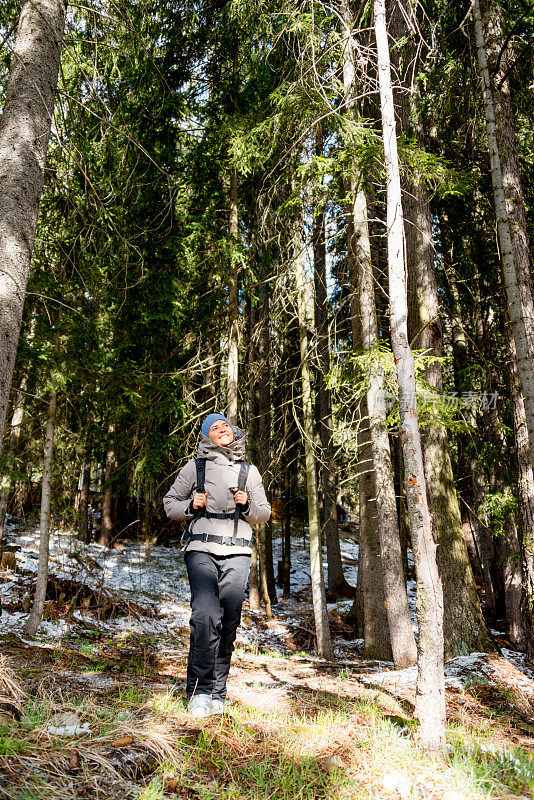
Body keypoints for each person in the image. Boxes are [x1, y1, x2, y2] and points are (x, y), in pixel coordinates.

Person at [163, 413, 271, 718]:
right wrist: (190, 506)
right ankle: (199, 691)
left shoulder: (248, 471)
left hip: (237, 551)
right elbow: (169, 503)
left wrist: (247, 504)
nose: (221, 429)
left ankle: (218, 692)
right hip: (200, 548)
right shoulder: (195, 467)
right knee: (205, 615)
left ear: (232, 430)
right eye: (214, 428)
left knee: (228, 622)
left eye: (224, 425)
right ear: (207, 437)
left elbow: (264, 512)